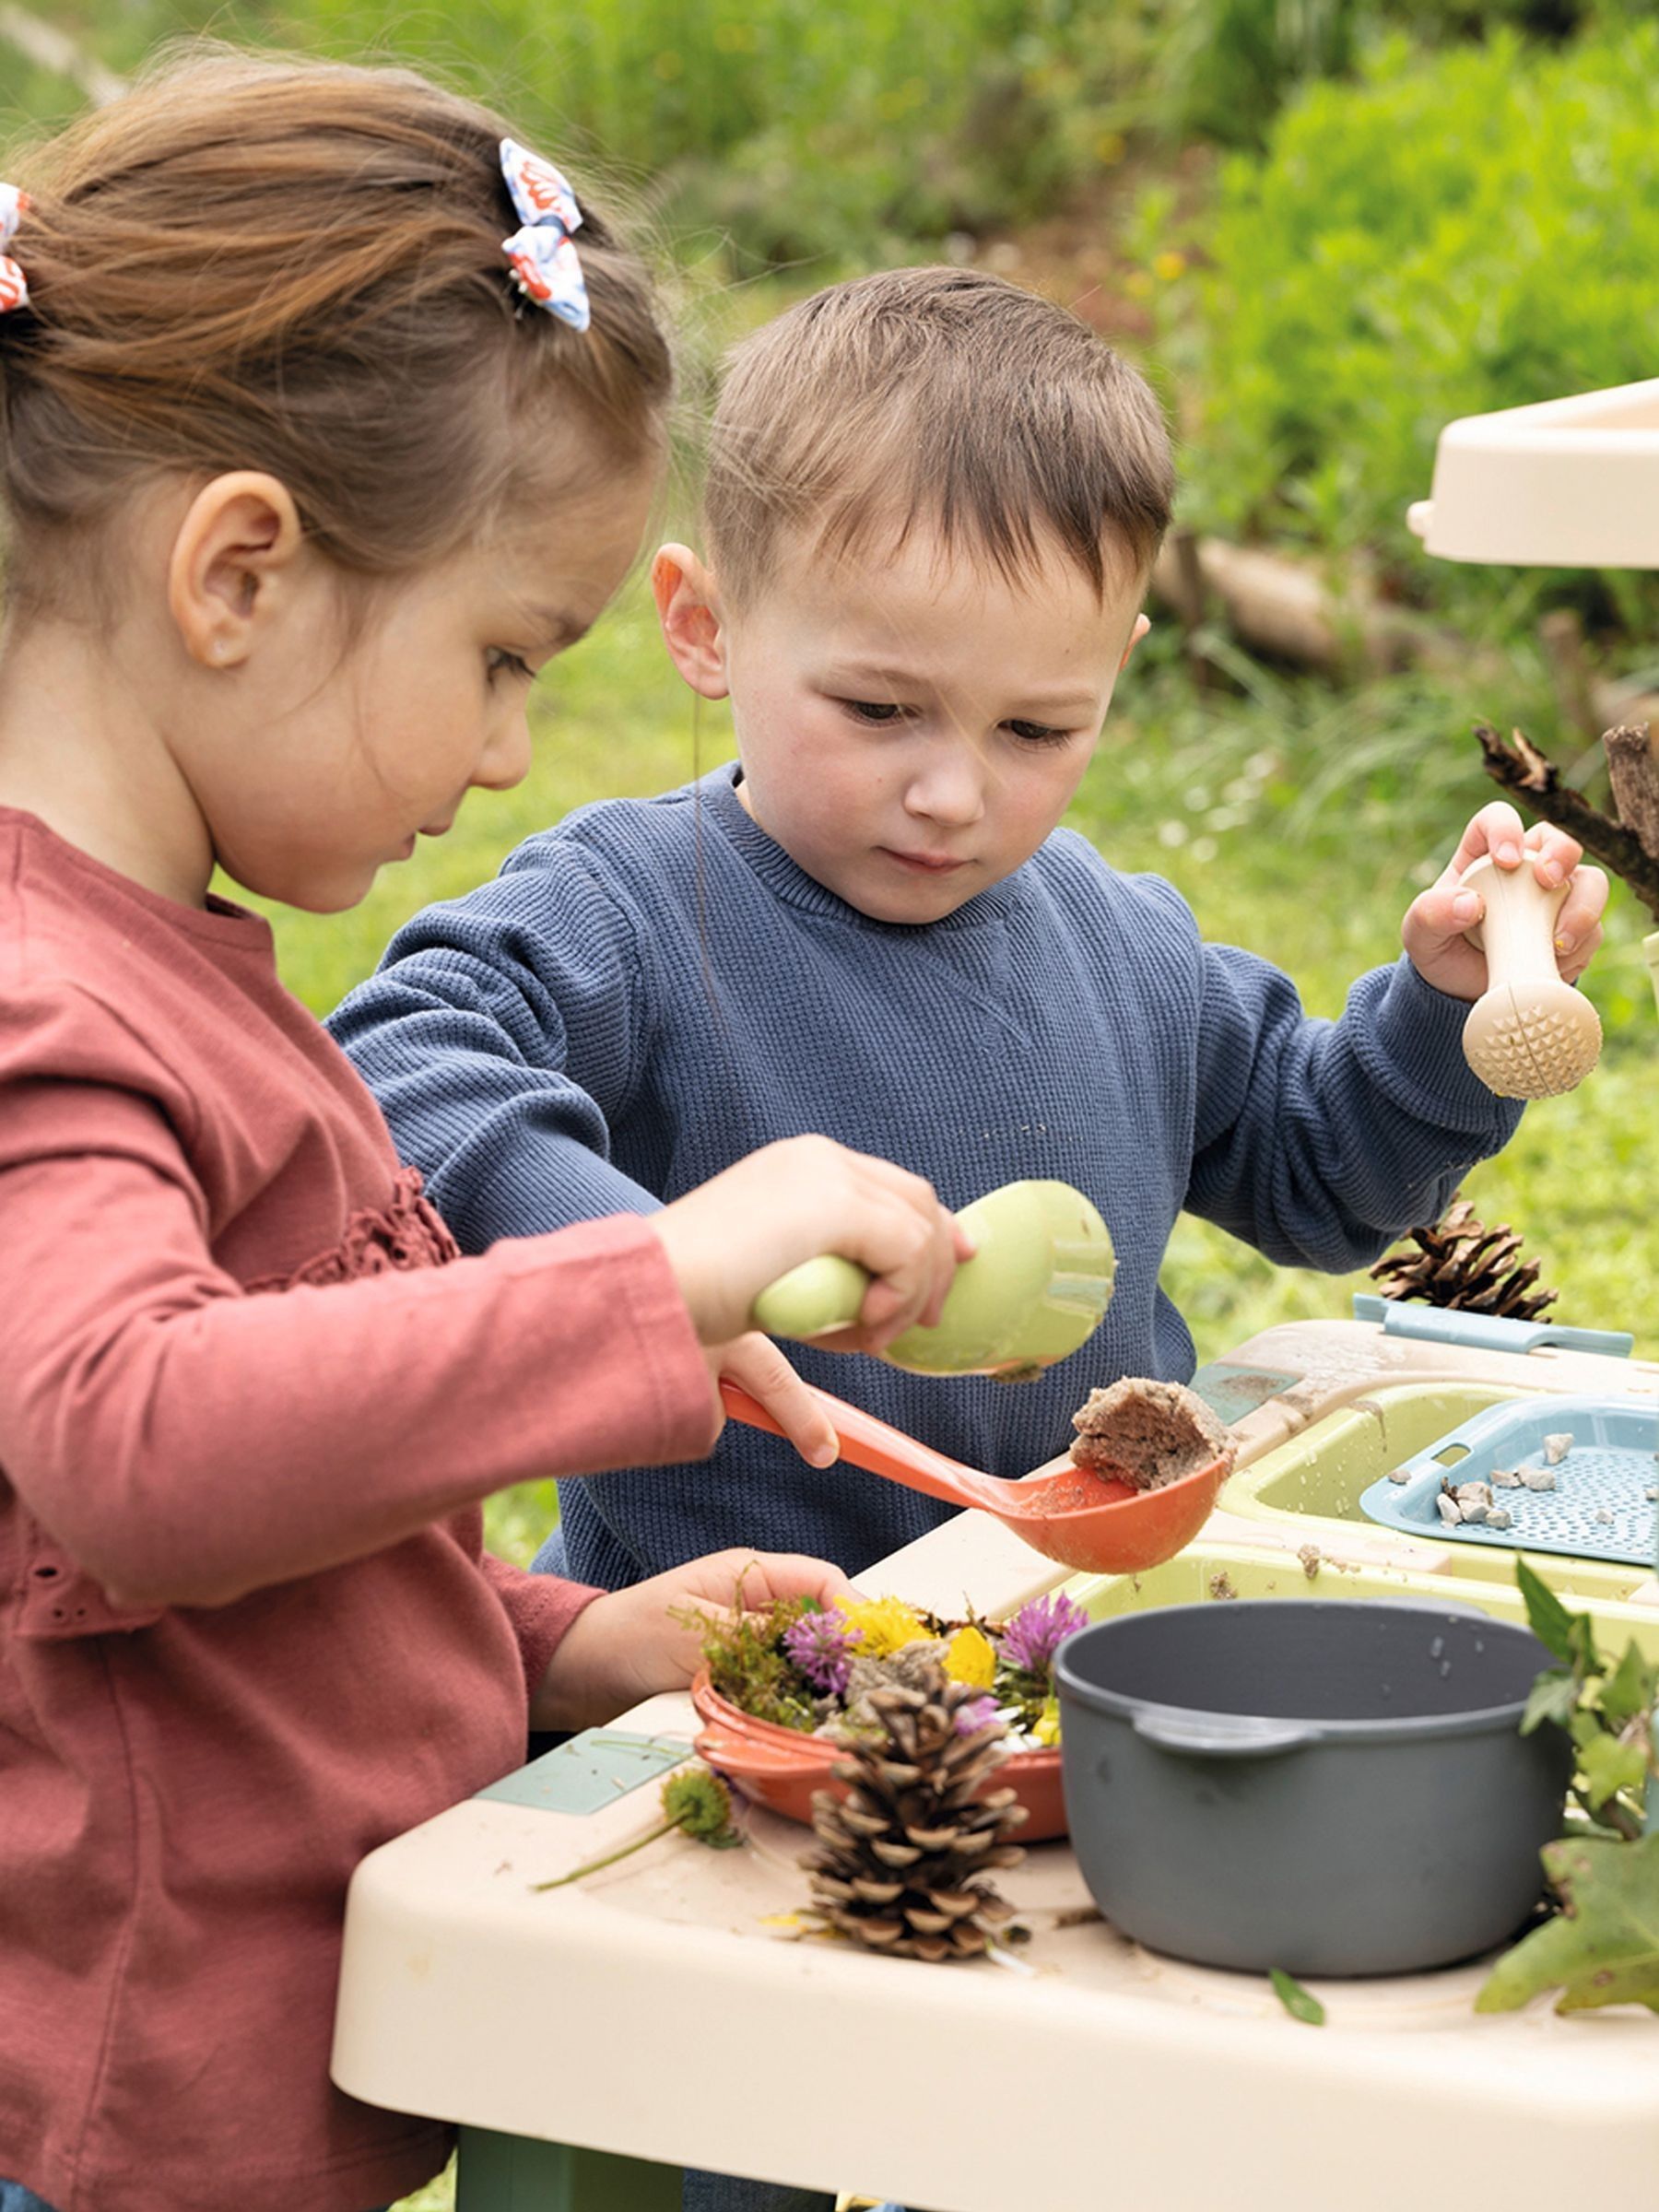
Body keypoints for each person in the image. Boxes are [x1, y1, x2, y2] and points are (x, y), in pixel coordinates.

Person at [0, 61, 969, 2212]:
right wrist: (653, 1276)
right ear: (240, 571)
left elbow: (219, 1582)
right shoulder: (42, 1011)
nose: (519, 746)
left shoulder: (177, 970)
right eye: (505, 655)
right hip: (117, 2153)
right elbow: (135, 1453)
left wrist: (550, 1645)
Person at [334, 261, 1608, 1614]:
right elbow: (393, 1070)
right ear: (707, 628)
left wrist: (1442, 1015)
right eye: (880, 710)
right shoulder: (633, 909)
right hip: (733, 1656)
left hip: (1061, 1619)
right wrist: (654, 1270)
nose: (952, 794)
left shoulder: (1123, 947)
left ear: (1116, 669)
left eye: (1035, 729)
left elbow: (1323, 1172)